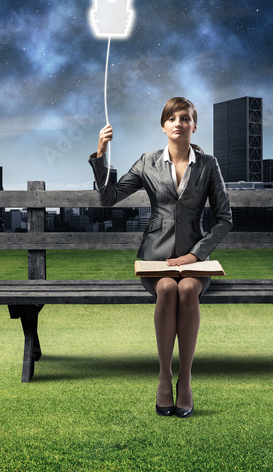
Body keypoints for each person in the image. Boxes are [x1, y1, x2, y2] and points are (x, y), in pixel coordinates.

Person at [89, 96, 232, 418]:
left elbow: (225, 218)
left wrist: (196, 255)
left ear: (195, 125)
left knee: (186, 289)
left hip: (194, 260)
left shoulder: (208, 165)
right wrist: (100, 152)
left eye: (185, 118)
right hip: (155, 256)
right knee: (167, 288)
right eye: (172, 118)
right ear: (163, 125)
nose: (178, 123)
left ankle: (187, 380)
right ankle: (165, 378)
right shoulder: (147, 161)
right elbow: (109, 198)